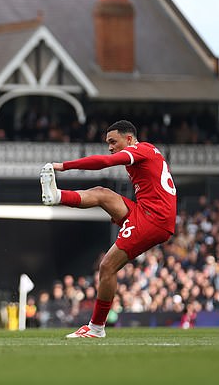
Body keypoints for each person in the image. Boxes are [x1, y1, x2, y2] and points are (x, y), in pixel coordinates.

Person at [40, 120, 176, 338]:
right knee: (102, 193)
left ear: (129, 139)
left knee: (107, 267)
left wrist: (64, 166)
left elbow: (104, 162)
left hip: (154, 218)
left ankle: (96, 327)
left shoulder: (138, 150)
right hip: (146, 211)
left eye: (113, 142)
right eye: (108, 143)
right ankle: (57, 196)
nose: (110, 147)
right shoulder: (148, 150)